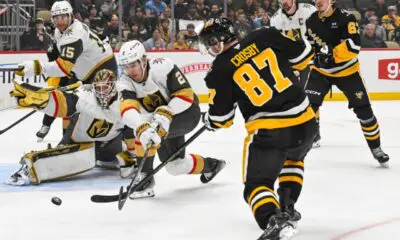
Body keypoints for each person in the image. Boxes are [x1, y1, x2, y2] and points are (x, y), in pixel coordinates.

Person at [199, 18, 316, 240]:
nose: (210, 47)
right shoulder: (264, 35)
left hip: (271, 132)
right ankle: (287, 208)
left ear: (222, 38)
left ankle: (273, 219)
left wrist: (209, 120)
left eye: (211, 41)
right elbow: (303, 57)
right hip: (306, 123)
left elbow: (222, 118)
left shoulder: (219, 69)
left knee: (256, 185)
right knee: (293, 160)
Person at [116, 40, 226, 199]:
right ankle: (213, 165)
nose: (130, 70)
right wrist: (142, 127)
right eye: (126, 66)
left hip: (186, 113)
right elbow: (127, 110)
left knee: (150, 126)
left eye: (133, 65)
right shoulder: (125, 82)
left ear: (144, 60)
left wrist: (166, 111)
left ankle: (145, 179)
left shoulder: (163, 67)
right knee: (175, 167)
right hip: (158, 121)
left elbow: (186, 95)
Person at [6, 69, 137, 186]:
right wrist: (45, 101)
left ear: (114, 86)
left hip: (109, 146)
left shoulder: (125, 97)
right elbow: (66, 103)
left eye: (105, 87)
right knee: (64, 153)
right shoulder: (86, 95)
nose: (101, 92)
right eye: (98, 88)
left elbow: (132, 125)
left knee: (129, 125)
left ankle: (125, 156)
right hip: (81, 138)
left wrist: (133, 154)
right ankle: (34, 167)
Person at [16, 1, 117, 141]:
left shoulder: (74, 35)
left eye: (63, 17)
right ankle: (67, 138)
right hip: (82, 70)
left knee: (96, 108)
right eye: (56, 18)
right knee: (70, 102)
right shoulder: (59, 32)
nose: (60, 21)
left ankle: (111, 143)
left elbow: (63, 68)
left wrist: (37, 67)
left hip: (103, 67)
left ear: (70, 16)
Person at [305, 0, 389, 166]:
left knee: (365, 112)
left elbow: (354, 46)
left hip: (348, 72)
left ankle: (376, 148)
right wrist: (314, 57)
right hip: (321, 72)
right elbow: (309, 46)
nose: (318, 1)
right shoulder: (311, 21)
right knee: (307, 109)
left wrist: (332, 53)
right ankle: (299, 147)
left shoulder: (347, 18)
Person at [271, 0, 319, 147]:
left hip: (309, 59)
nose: (284, 2)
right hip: (289, 62)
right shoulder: (276, 19)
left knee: (309, 97)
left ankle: (315, 133)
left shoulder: (309, 10)